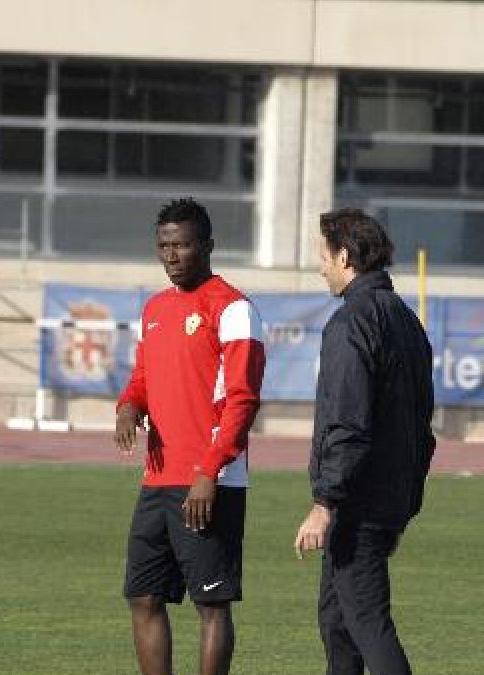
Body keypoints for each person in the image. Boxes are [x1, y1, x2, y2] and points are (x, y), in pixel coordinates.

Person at [114, 198, 266, 675]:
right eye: (163, 245)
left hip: (209, 481)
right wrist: (128, 404)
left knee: (212, 605)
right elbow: (144, 375)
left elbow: (242, 400)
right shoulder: (156, 307)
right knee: (143, 595)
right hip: (157, 480)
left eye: (182, 244)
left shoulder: (234, 308)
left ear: (208, 246)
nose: (171, 254)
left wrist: (209, 470)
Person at [293, 208, 436, 675]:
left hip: (359, 503)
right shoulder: (407, 323)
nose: (320, 267)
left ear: (345, 256)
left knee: (368, 624)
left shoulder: (352, 322)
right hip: (389, 498)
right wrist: (405, 503)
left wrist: (324, 502)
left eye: (323, 255)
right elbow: (422, 428)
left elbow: (347, 422)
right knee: (338, 626)